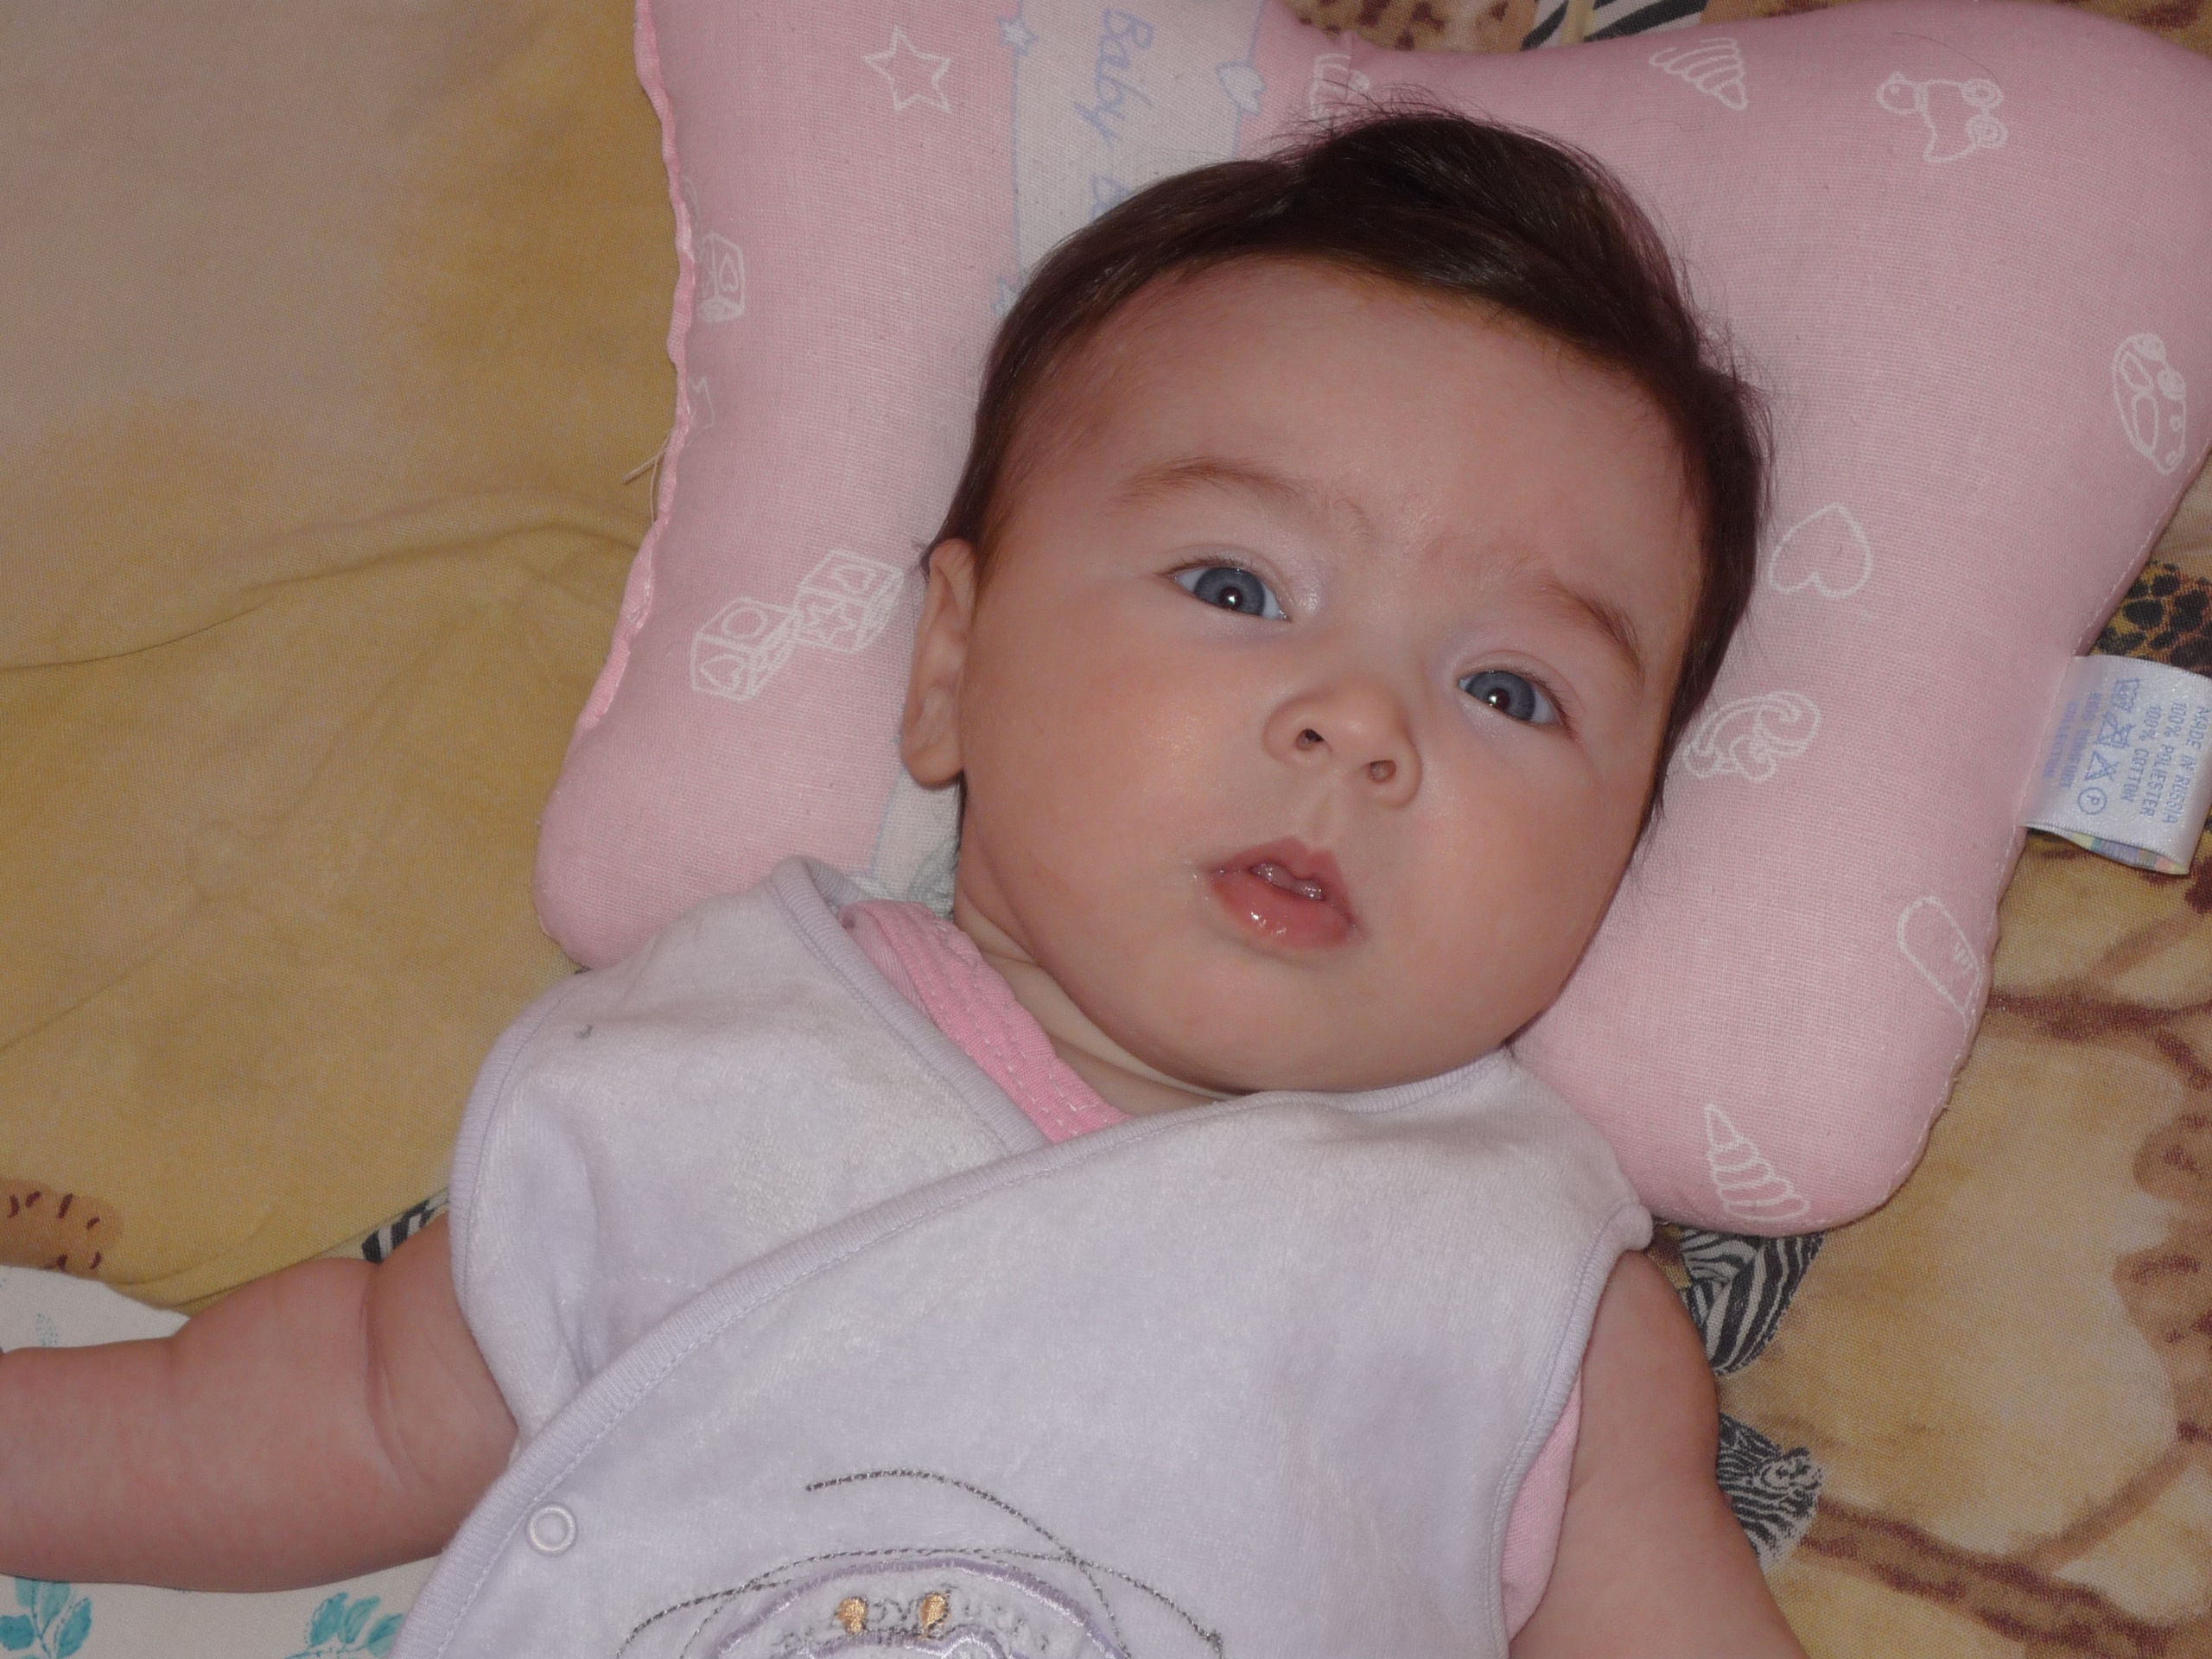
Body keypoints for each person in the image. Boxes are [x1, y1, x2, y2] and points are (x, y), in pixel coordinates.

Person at [0, 109, 1804, 1656]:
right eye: (1236, 587)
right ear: (947, 664)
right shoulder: (726, 1063)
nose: (1359, 725)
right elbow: (340, 1409)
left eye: (1510, 692)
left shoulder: (1531, 1297)